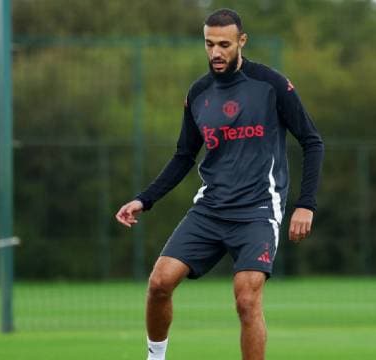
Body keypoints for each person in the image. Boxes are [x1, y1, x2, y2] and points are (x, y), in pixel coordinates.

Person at [115, 8, 324, 360]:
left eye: (224, 44)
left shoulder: (272, 85)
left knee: (246, 299)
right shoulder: (198, 93)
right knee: (159, 283)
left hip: (258, 210)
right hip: (210, 209)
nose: (215, 52)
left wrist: (306, 204)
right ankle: (155, 357)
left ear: (241, 42)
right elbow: (184, 155)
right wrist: (144, 199)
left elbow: (312, 141)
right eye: (209, 44)